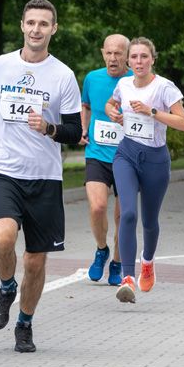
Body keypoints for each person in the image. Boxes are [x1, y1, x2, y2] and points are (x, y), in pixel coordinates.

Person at [0, 0, 82, 353]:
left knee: (36, 260)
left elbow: (74, 129)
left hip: (45, 178)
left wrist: (48, 128)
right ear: (22, 25)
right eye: (31, 22)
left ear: (54, 29)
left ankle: (25, 324)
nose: (36, 29)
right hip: (5, 170)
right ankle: (6, 288)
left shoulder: (63, 75)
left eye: (44, 24)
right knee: (3, 238)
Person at [105, 37, 184, 303]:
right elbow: (110, 103)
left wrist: (152, 111)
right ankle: (127, 278)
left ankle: (148, 262)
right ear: (128, 61)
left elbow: (183, 124)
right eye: (134, 57)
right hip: (126, 154)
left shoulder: (165, 88)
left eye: (144, 57)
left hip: (155, 159)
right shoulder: (123, 83)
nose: (139, 62)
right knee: (127, 213)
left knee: (150, 221)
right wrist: (112, 113)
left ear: (153, 59)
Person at [79, 34, 131, 285]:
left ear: (128, 55)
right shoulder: (92, 78)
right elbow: (86, 106)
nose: (113, 58)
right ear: (103, 53)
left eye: (118, 53)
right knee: (97, 206)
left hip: (128, 158)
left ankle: (118, 263)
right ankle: (102, 250)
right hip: (97, 153)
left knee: (123, 215)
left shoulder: (137, 81)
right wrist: (82, 128)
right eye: (109, 53)